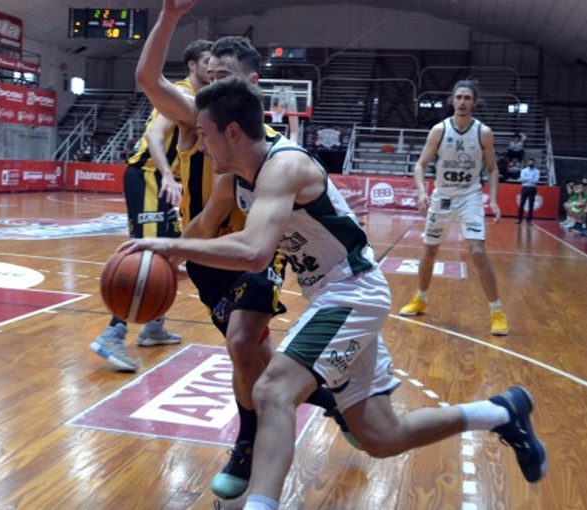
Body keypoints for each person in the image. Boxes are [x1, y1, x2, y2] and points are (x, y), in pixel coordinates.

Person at [123, 77, 547, 510]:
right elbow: (204, 227)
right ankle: (501, 411)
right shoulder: (233, 179)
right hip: (335, 296)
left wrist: (170, 245)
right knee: (383, 436)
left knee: (272, 390)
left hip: (352, 291)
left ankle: (260, 503)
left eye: (204, 134)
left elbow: (254, 252)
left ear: (232, 131)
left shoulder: (285, 166)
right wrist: (165, 259)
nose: (199, 144)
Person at [135, 1, 357, 500]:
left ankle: (248, 443)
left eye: (223, 77)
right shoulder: (198, 119)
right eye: (208, 76)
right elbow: (148, 80)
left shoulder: (268, 149)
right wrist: (168, 16)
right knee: (256, 354)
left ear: (252, 85)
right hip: (208, 253)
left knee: (241, 343)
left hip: (256, 252)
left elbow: (266, 237)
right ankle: (328, 398)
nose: (211, 86)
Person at [89, 39, 213, 372]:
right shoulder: (179, 92)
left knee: (175, 255)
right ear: (193, 65)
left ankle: (154, 326)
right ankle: (112, 334)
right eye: (207, 61)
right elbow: (154, 135)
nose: (212, 66)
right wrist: (167, 176)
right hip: (149, 176)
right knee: (148, 256)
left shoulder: (204, 99)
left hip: (170, 182)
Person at [399, 80, 509, 336]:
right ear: (452, 100)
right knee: (429, 251)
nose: (462, 102)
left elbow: (492, 169)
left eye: (467, 98)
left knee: (478, 253)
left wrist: (493, 200)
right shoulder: (439, 130)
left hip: (470, 197)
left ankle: (497, 311)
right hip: (443, 197)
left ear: (474, 102)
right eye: (458, 97)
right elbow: (420, 165)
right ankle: (421, 298)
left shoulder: (483, 132)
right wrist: (422, 191)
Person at [516, 158, 541, 224]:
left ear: (534, 163)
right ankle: (519, 219)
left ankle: (529, 220)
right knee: (522, 203)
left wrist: (527, 179)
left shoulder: (537, 171)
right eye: (530, 162)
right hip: (525, 188)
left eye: (532, 162)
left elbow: (536, 180)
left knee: (531, 204)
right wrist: (531, 179)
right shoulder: (524, 170)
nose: (531, 163)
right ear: (528, 163)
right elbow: (522, 179)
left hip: (532, 188)